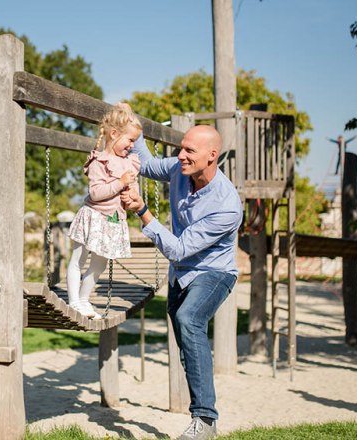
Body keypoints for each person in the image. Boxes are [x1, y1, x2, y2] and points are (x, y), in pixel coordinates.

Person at [121, 125, 243, 440]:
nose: (181, 155)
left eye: (190, 150)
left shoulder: (226, 205)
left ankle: (205, 420)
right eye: (182, 147)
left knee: (190, 319)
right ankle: (202, 418)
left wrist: (143, 213)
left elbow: (179, 247)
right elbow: (147, 165)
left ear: (212, 156)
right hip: (180, 272)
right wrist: (135, 131)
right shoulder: (179, 170)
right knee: (187, 343)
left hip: (213, 273)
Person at [66, 102, 141, 318]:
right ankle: (72, 301)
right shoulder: (99, 161)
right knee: (78, 260)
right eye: (130, 140)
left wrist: (130, 197)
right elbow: (96, 193)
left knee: (98, 265)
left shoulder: (130, 163)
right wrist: (119, 183)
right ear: (114, 134)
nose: (132, 146)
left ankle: (83, 299)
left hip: (112, 221)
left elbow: (131, 190)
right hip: (93, 217)